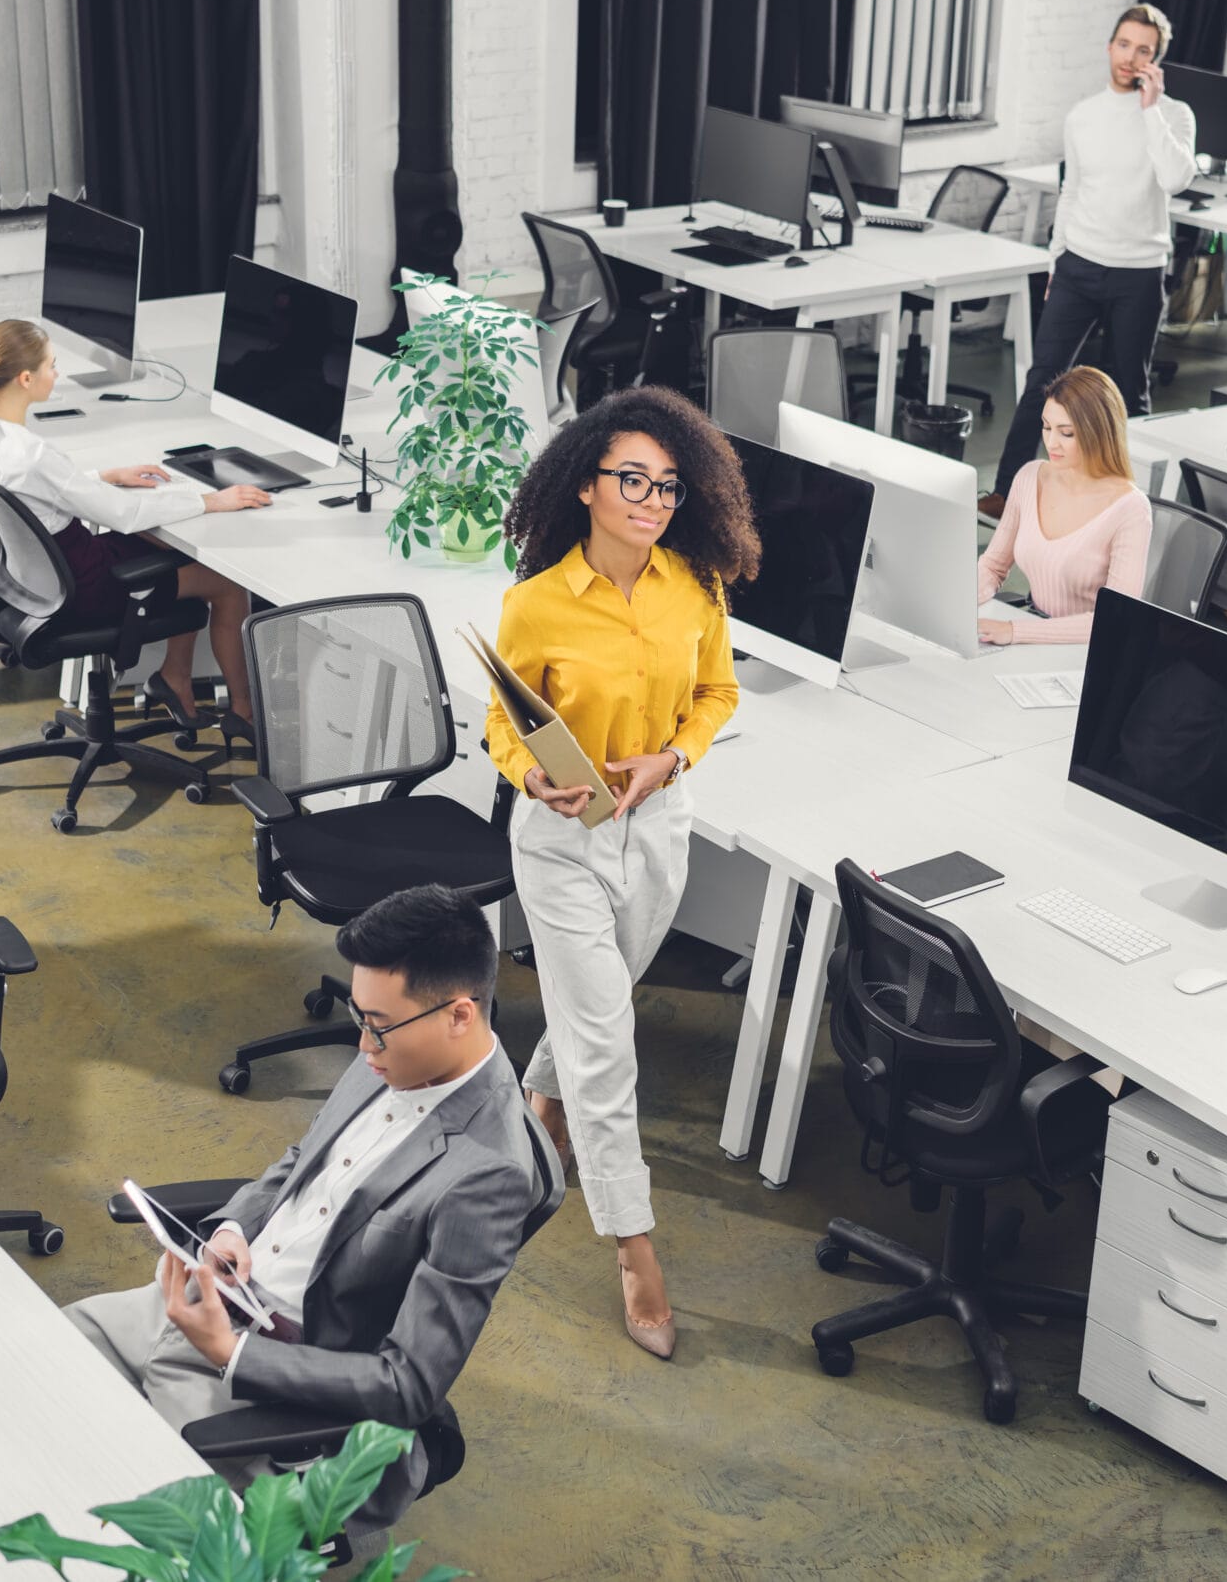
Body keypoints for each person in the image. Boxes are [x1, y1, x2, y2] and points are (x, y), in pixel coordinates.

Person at [66, 884, 543, 1558]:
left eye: (377, 1024)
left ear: (460, 1015)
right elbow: (303, 1161)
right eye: (358, 1014)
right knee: (43, 1356)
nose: (361, 1043)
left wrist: (232, 1354)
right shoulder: (396, 1046)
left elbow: (408, 1384)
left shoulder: (487, 1173)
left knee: (137, 1522)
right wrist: (233, 1227)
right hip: (216, 1303)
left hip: (269, 1375)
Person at [486, 387, 759, 1361]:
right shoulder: (537, 603)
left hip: (658, 828)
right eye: (630, 481)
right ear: (587, 486)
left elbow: (719, 692)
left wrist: (673, 757)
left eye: (668, 486)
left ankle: (535, 1111)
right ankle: (633, 1249)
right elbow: (498, 723)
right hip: (562, 840)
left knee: (595, 1008)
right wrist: (533, 775)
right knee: (607, 1042)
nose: (650, 499)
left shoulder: (695, 587)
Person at [0, 320, 268, 734]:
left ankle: (175, 679)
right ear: (26, 379)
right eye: (51, 366)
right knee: (226, 583)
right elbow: (122, 515)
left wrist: (105, 475)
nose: (56, 373)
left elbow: (40, 488)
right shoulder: (32, 453)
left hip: (45, 579)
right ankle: (243, 713)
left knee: (163, 548)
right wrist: (210, 500)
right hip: (86, 587)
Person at [988, 4, 1198, 514]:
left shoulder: (1174, 116)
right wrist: (1056, 258)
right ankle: (1006, 492)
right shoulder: (1082, 115)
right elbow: (1072, 191)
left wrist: (1151, 109)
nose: (1131, 57)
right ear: (1110, 47)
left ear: (1156, 60)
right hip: (1078, 265)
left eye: (1143, 50)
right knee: (1043, 379)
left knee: (1130, 388)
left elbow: (1176, 179)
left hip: (1138, 272)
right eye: (1124, 45)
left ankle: (1132, 503)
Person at [976, 367, 1152, 645]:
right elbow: (993, 566)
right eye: (1046, 427)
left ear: (1098, 433)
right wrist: (962, 597)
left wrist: (1015, 631)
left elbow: (1115, 619)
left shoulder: (1131, 509)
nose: (1051, 442)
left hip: (1089, 652)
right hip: (1034, 632)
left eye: (1066, 433)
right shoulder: (1029, 477)